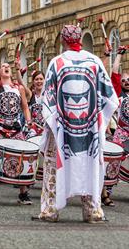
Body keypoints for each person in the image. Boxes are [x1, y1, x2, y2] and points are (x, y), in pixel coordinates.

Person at [35, 24, 119, 223]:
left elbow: (47, 100)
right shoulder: (95, 61)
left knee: (54, 165)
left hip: (61, 129)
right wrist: (99, 118)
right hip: (90, 130)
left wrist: (52, 123)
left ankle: (50, 211)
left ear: (63, 40)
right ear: (80, 38)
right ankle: (92, 211)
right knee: (89, 164)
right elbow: (109, 98)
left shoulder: (56, 63)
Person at [0, 37, 33, 205]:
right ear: (0, 73)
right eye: (3, 67)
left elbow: (25, 107)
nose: (6, 67)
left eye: (8, 66)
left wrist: (29, 121)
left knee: (21, 159)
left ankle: (23, 194)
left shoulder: (20, 88)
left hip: (16, 130)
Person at [101, 45, 128, 206]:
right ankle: (107, 192)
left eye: (128, 80)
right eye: (124, 81)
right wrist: (119, 56)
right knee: (113, 162)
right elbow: (115, 74)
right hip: (121, 134)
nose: (126, 82)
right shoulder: (118, 95)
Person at [14, 66, 45, 138]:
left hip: (44, 130)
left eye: (41, 79)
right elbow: (20, 83)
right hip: (31, 130)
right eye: (36, 79)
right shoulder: (31, 95)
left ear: (44, 80)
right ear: (33, 82)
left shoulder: (48, 95)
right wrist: (18, 69)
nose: (39, 81)